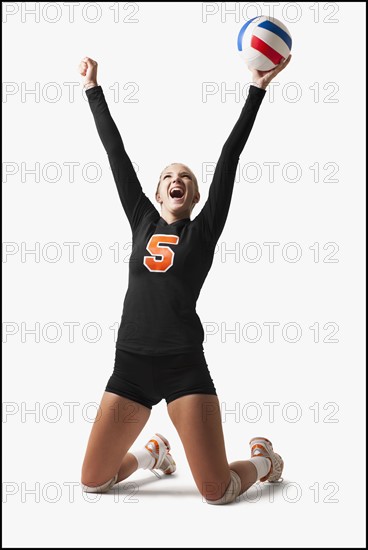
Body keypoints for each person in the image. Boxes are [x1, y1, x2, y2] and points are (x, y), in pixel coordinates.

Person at [78, 53, 291, 505]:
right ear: (157, 194)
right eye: (168, 177)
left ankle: (265, 460)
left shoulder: (204, 230)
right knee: (95, 481)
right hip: (130, 367)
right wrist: (93, 90)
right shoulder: (141, 221)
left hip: (183, 369)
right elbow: (116, 153)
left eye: (186, 178)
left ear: (195, 195)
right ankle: (153, 454)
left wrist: (257, 89)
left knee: (217, 492)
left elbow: (230, 156)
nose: (177, 180)